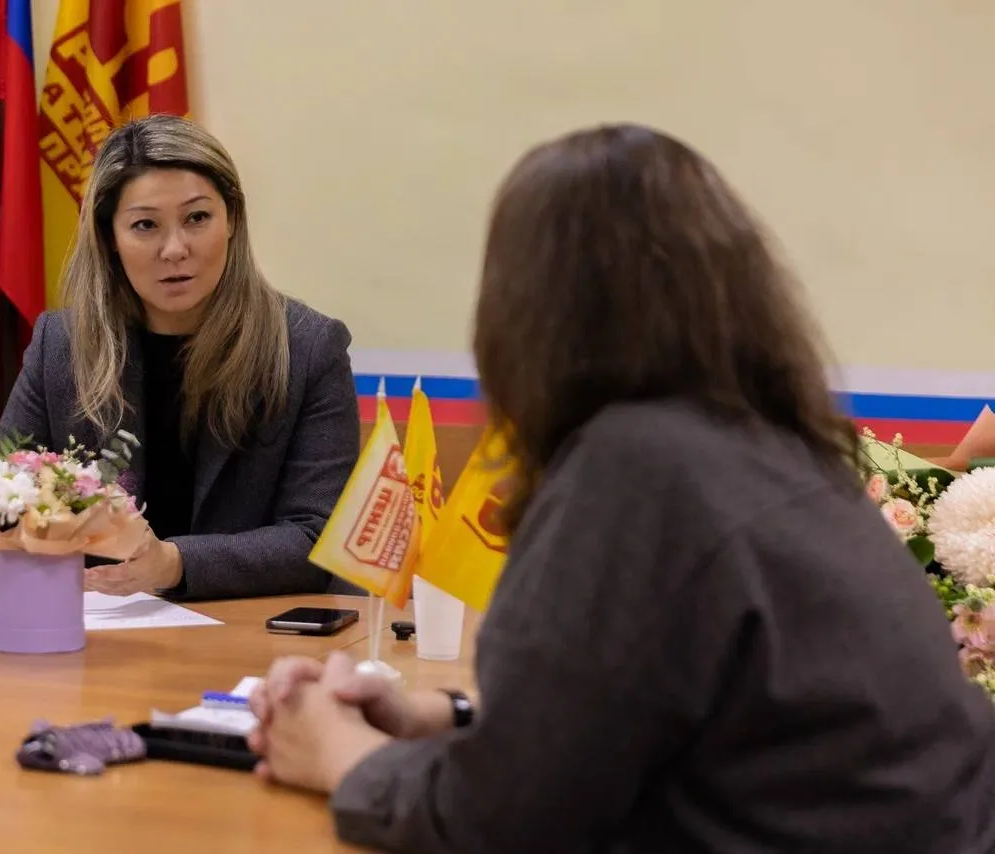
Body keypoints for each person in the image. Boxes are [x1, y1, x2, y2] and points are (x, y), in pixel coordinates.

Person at [246, 123, 995, 852]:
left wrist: (335, 749)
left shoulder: (635, 465)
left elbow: (504, 819)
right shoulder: (776, 443)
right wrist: (446, 714)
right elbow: (661, 710)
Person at [0, 115, 360, 601]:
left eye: (197, 218)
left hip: (244, 629)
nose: (174, 249)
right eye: (145, 225)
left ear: (232, 220)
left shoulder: (307, 349)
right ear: (110, 238)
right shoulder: (61, 346)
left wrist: (173, 563)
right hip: (91, 624)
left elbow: (318, 539)